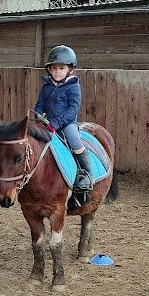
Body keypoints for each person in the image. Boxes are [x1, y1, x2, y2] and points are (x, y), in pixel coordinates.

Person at [34, 45, 93, 201]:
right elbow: (40, 104)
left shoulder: (74, 87)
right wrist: (39, 115)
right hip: (48, 123)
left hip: (67, 123)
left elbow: (72, 109)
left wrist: (56, 123)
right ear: (49, 70)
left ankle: (87, 174)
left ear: (70, 69)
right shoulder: (46, 86)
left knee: (73, 139)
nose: (57, 71)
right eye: (54, 68)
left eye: (61, 68)